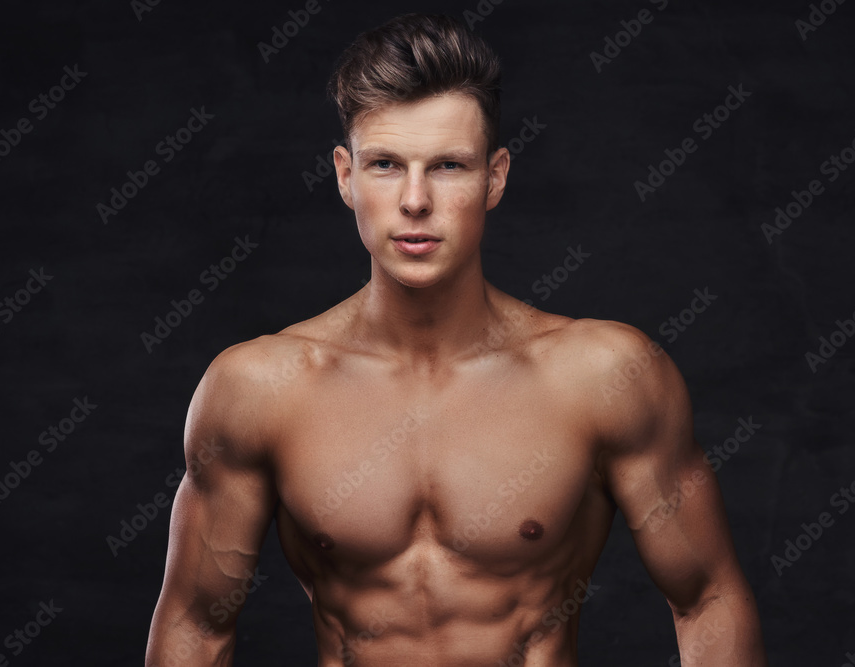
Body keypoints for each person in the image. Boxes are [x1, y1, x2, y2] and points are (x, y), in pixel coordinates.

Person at [146, 13, 767, 666]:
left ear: (494, 177)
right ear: (344, 175)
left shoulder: (602, 376)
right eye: (386, 164)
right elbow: (195, 623)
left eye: (447, 166)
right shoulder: (260, 388)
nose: (416, 200)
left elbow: (707, 598)